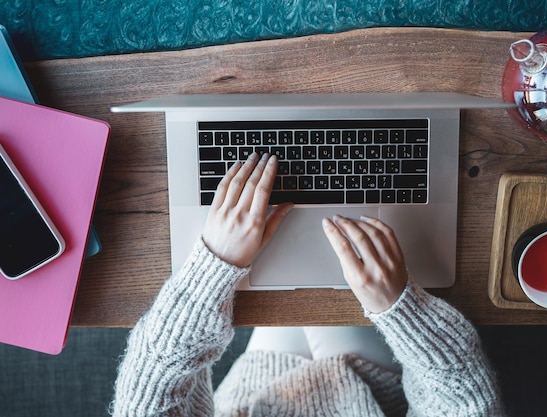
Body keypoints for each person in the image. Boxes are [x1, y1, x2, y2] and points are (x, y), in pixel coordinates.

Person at [110, 152, 505, 417]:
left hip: (256, 389)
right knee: (334, 248)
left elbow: (146, 394)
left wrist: (216, 263)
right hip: (365, 385)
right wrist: (399, 307)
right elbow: (468, 403)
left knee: (287, 242)